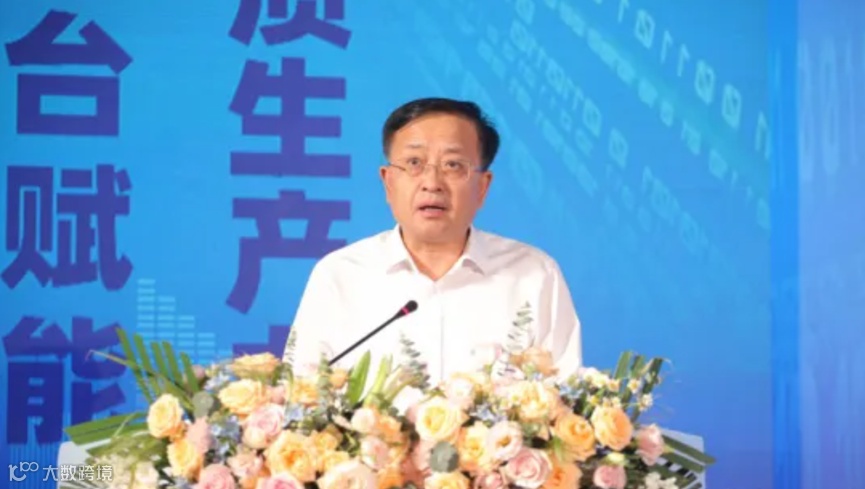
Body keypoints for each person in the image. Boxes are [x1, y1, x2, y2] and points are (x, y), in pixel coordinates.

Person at [283, 97, 583, 385]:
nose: (432, 183)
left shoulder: (534, 275)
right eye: (414, 162)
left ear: (482, 187)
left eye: (453, 165)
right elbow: (301, 396)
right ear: (388, 182)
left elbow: (566, 398)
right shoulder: (339, 275)